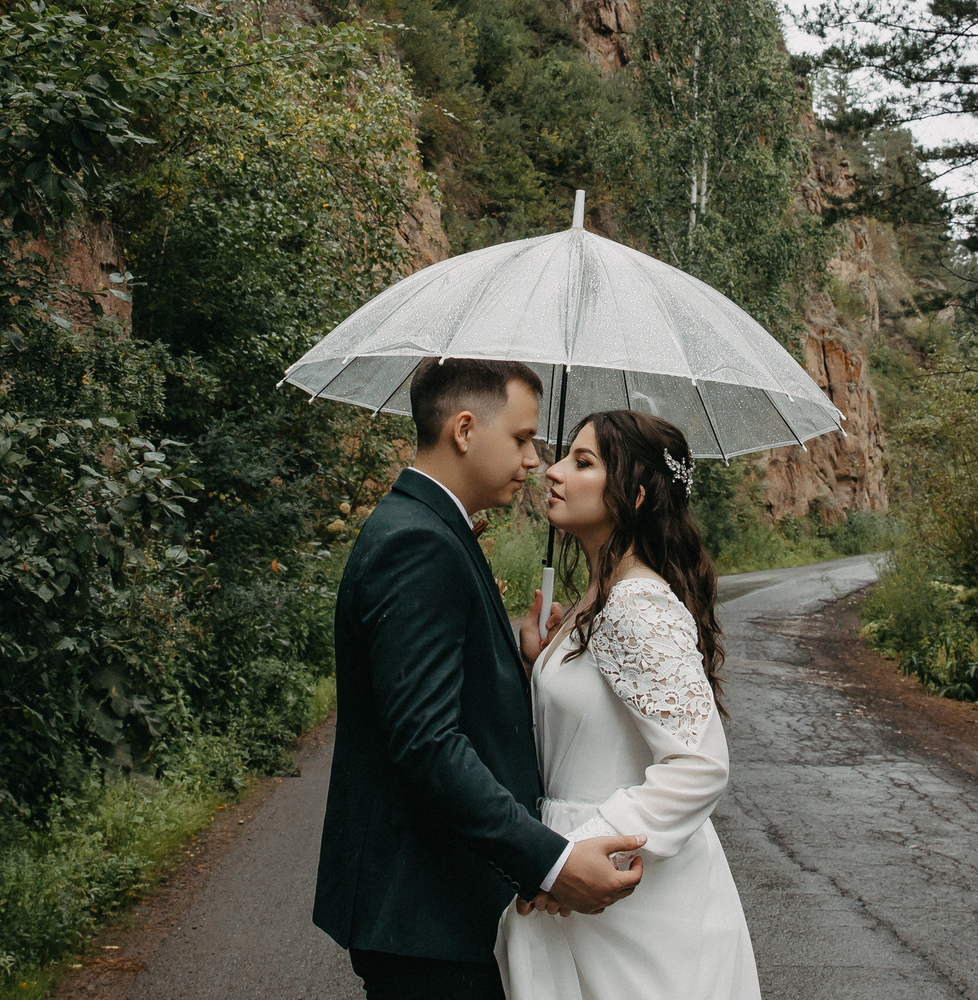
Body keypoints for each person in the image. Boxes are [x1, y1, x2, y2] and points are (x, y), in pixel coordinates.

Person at [314, 356, 649, 1000]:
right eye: (523, 438)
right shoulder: (418, 543)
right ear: (465, 430)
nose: (533, 461)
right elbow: (427, 744)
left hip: (433, 906)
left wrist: (521, 664)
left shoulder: (425, 528)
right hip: (427, 908)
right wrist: (548, 862)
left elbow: (442, 700)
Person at [497, 409, 761, 999]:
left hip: (623, 887)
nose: (553, 472)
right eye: (563, 456)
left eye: (582, 462)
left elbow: (700, 765)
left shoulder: (636, 603)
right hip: (578, 871)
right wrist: (538, 661)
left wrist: (583, 848)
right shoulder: (598, 598)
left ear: (635, 496)